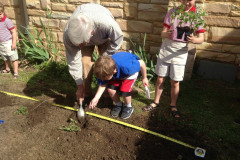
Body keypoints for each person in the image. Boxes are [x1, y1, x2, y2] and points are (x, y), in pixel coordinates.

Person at [143, 0, 205, 118]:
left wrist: (194, 40)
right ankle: (156, 102)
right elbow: (163, 33)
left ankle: (173, 105)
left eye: (190, 0)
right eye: (184, 0)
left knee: (175, 81)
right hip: (167, 48)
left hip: (180, 52)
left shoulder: (197, 16)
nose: (186, 2)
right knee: (160, 79)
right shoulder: (172, 12)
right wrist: (166, 34)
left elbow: (201, 38)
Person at [63, 3, 123, 104]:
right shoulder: (69, 34)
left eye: (82, 43)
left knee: (107, 65)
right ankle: (85, 92)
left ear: (91, 33)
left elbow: (118, 38)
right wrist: (79, 85)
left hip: (103, 36)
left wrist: (105, 56)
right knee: (85, 63)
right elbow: (73, 61)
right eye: (79, 45)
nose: (80, 47)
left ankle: (107, 94)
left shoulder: (107, 24)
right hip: (85, 34)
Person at [89, 52, 149, 119]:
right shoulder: (104, 69)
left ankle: (128, 106)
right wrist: (96, 98)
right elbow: (103, 84)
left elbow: (141, 63)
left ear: (113, 71)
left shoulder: (128, 68)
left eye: (105, 78)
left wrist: (144, 78)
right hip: (118, 71)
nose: (104, 79)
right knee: (110, 89)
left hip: (129, 74)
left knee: (125, 90)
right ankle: (119, 104)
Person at [0, 2, 19, 79]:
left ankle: (16, 72)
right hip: (1, 43)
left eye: (0, 14)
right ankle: (7, 69)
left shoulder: (7, 21)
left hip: (8, 42)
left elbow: (13, 32)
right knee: (5, 57)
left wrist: (14, 43)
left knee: (13, 58)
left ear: (3, 12)